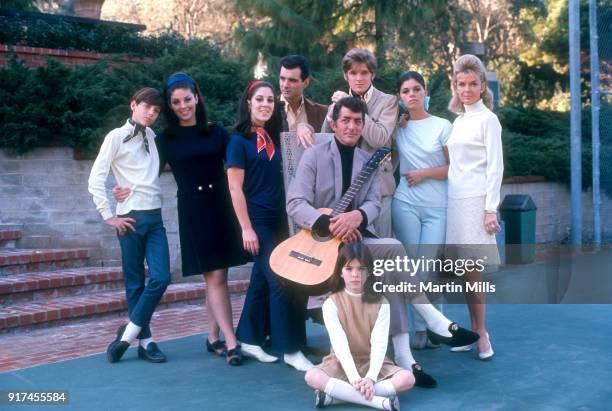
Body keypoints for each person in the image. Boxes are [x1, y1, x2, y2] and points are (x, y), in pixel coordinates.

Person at [287, 96, 480, 387]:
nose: (352, 127)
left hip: (355, 243)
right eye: (346, 120)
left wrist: (358, 217)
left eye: (357, 121)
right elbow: (295, 202)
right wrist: (331, 223)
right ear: (333, 123)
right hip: (322, 249)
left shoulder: (368, 161)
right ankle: (429, 324)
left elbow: (374, 203)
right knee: (394, 248)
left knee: (389, 271)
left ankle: (405, 356)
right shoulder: (313, 156)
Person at [113, 73, 249, 366]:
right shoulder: (165, 140)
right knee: (214, 276)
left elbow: (240, 163)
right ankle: (231, 341)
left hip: (222, 207)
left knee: (218, 276)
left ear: (197, 98)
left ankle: (212, 337)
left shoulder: (217, 132)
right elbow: (144, 171)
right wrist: (122, 186)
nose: (183, 106)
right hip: (193, 210)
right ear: (171, 106)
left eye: (188, 99)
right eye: (176, 102)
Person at [226, 80, 313, 372]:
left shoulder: (275, 137)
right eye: (259, 99)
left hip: (281, 222)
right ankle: (289, 349)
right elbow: (235, 190)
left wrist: (301, 127)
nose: (265, 104)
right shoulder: (238, 141)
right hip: (258, 223)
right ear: (248, 102)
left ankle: (248, 338)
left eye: (270, 100)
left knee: (261, 281)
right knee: (279, 280)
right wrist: (246, 228)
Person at [88, 87, 170, 364]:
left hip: (155, 218)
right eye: (147, 107)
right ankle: (146, 342)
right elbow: (95, 178)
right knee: (135, 283)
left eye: (156, 110)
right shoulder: (116, 137)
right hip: (130, 218)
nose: (151, 113)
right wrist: (108, 215)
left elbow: (147, 175)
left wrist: (126, 188)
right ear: (133, 105)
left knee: (161, 277)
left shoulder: (153, 137)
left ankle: (127, 334)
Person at [304, 242, 413, 411]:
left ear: (369, 272)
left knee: (407, 379)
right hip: (341, 361)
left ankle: (334, 398)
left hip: (372, 362)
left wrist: (370, 378)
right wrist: (355, 378)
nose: (355, 274)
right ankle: (380, 402)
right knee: (311, 376)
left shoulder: (381, 302)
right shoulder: (331, 303)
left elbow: (379, 344)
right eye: (349, 269)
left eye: (361, 268)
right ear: (340, 272)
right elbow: (340, 345)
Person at [445, 54, 503, 360]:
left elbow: (495, 167)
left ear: (482, 86)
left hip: (476, 202)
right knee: (464, 272)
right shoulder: (459, 121)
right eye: (461, 84)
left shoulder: (488, 120)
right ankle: (473, 329)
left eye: (473, 84)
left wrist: (490, 209)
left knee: (473, 271)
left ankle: (482, 334)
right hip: (454, 201)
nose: (467, 89)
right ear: (455, 86)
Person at [391, 71, 451, 349]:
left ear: (425, 92)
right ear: (400, 97)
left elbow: (456, 168)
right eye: (405, 91)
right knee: (410, 271)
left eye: (416, 89)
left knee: (426, 270)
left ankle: (436, 326)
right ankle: (418, 331)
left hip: (438, 208)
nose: (411, 94)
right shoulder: (398, 127)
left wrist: (426, 173)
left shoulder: (443, 125)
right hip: (405, 205)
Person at [319, 48, 398, 237]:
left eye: (364, 72)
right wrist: (332, 114)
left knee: (380, 253)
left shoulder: (388, 102)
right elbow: (324, 141)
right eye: (353, 73)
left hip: (378, 188)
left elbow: (379, 139)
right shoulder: (338, 103)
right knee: (346, 256)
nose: (359, 78)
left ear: (373, 74)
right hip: (343, 188)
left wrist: (352, 105)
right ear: (346, 76)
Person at [279, 54, 328, 145]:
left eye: (292, 80)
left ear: (306, 82)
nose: (285, 85)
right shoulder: (268, 110)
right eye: (282, 79)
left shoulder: (322, 112)